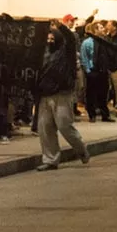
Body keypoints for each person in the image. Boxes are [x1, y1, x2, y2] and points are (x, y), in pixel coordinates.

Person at [35, 21, 90, 171]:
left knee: (64, 126)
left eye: (53, 38)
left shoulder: (66, 52)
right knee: (45, 129)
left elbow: (71, 39)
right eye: (48, 38)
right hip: (45, 95)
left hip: (62, 94)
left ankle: (81, 149)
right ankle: (50, 160)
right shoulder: (42, 53)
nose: (50, 40)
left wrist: (61, 27)